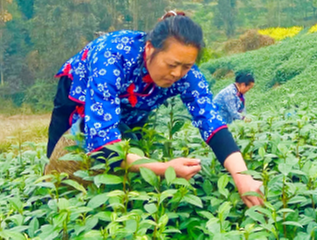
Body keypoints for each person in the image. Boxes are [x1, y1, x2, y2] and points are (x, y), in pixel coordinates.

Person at [46, 11, 263, 207]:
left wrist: (241, 176)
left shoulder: (187, 74)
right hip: (80, 96)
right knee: (62, 167)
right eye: (172, 65)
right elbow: (104, 144)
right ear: (150, 49)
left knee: (129, 165)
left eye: (186, 66)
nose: (178, 74)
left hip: (135, 106)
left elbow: (211, 121)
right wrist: (164, 168)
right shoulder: (111, 57)